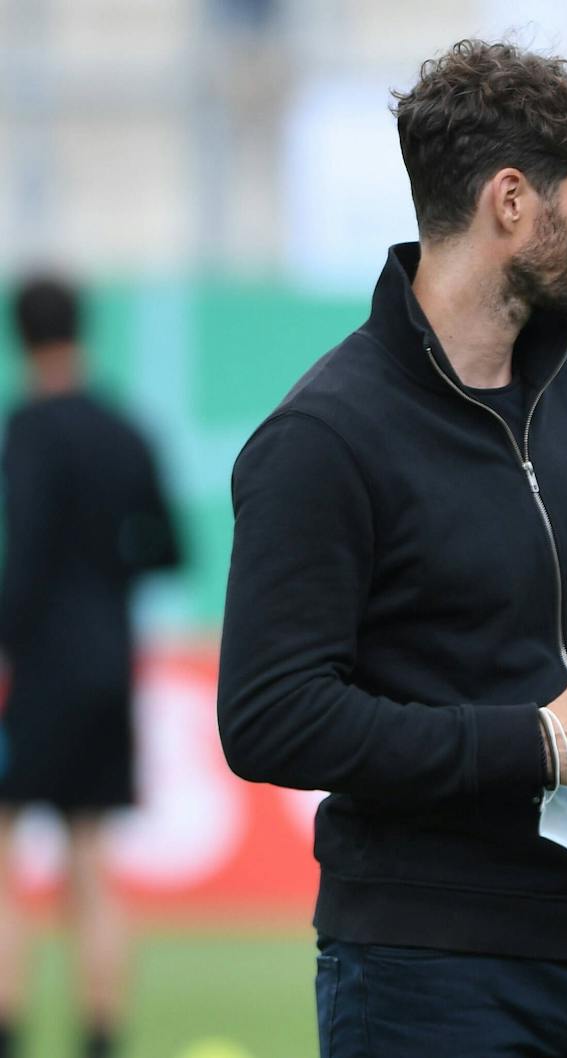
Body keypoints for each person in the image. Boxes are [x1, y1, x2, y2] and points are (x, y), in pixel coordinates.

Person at [216, 40, 567, 1058]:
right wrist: (535, 742)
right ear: (511, 201)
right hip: (429, 982)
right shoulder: (323, 437)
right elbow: (269, 718)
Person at [0, 274, 181, 1058]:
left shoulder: (28, 428)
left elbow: (27, 554)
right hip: (110, 663)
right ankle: (100, 1040)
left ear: (20, 337)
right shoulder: (125, 430)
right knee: (92, 860)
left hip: (41, 668)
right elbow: (168, 547)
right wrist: (107, 575)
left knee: (6, 855)